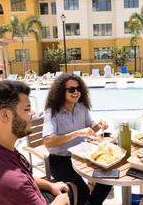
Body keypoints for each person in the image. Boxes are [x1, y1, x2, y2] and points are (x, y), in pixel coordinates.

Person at [0, 81, 75, 205]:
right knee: (70, 191)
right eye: (27, 108)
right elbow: (16, 183)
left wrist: (50, 185)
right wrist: (62, 200)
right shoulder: (13, 182)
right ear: (5, 115)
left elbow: (23, 178)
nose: (32, 113)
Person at [43, 73, 112, 205]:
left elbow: (90, 129)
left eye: (78, 89)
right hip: (60, 161)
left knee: (108, 179)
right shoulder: (52, 111)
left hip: (81, 157)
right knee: (82, 192)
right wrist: (77, 133)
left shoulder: (82, 107)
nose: (76, 92)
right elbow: (47, 141)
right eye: (71, 89)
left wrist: (99, 124)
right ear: (61, 92)